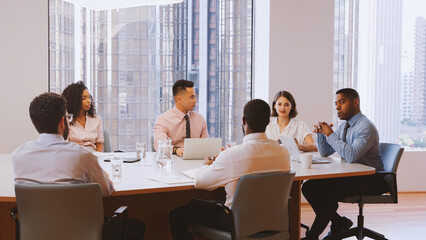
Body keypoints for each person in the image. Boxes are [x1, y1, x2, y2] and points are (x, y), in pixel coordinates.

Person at [12, 92, 145, 240]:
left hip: (36, 233)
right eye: (68, 117)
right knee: (137, 226)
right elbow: (107, 190)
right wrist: (105, 175)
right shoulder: (81, 155)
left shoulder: (18, 155)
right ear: (63, 122)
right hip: (83, 233)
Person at [168, 99, 291, 240]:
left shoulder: (232, 155)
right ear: (268, 122)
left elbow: (200, 182)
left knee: (178, 215)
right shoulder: (283, 152)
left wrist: (206, 165)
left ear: (244, 121)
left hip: (236, 223)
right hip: (274, 220)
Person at [301, 88, 387, 240]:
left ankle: (312, 236)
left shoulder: (365, 127)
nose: (337, 107)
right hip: (353, 176)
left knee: (327, 194)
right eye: (336, 103)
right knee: (309, 187)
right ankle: (338, 221)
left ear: (355, 102)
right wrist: (321, 136)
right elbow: (325, 152)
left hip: (371, 180)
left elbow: (351, 155)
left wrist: (331, 134)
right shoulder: (345, 126)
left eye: (342, 102)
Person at [154, 79, 208, 156]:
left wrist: (216, 149)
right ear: (179, 99)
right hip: (173, 162)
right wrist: (176, 150)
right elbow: (159, 145)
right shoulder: (163, 120)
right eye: (191, 97)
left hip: (196, 163)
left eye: (195, 97)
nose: (195, 101)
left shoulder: (200, 119)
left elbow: (206, 145)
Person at [62, 81, 104, 152]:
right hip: (73, 154)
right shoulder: (66, 120)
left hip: (92, 155)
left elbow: (100, 143)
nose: (89, 101)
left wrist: (97, 157)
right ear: (74, 101)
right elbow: (65, 144)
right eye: (84, 98)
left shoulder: (96, 118)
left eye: (89, 97)